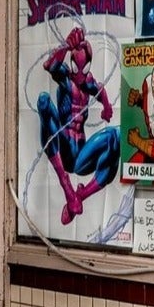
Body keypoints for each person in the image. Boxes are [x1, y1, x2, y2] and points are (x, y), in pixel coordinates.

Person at [37, 26, 119, 225]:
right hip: (63, 149)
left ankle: (79, 196)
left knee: (116, 136)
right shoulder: (65, 78)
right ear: (71, 63)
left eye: (85, 68)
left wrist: (106, 107)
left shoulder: (87, 82)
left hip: (81, 158)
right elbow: (50, 65)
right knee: (44, 101)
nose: (80, 74)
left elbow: (100, 89)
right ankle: (67, 187)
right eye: (76, 67)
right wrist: (66, 46)